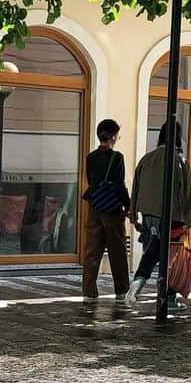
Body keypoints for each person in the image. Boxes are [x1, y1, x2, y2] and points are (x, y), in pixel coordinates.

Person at [125, 120, 191, 308]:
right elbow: (187, 192)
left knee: (151, 253)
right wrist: (189, 220)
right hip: (171, 217)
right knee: (173, 259)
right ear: (179, 138)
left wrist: (134, 215)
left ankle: (136, 285)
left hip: (148, 216)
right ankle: (170, 299)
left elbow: (136, 187)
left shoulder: (147, 159)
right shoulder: (180, 161)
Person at [81, 119, 131, 300]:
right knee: (117, 251)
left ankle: (89, 292)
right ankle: (122, 290)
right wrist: (129, 205)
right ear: (112, 137)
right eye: (117, 134)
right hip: (112, 209)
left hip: (94, 206)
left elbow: (91, 181)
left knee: (92, 251)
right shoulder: (117, 157)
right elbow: (119, 184)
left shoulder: (90, 157)